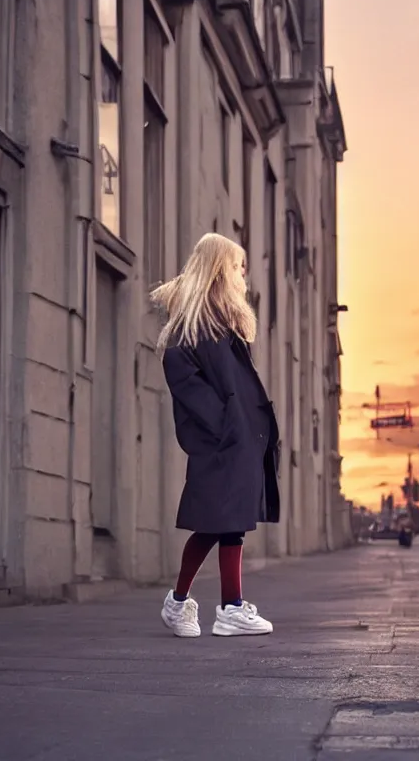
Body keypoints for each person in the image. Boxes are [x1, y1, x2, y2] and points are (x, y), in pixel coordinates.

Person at [150, 233, 281, 637]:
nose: (243, 274)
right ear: (220, 268)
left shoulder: (222, 323)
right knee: (216, 522)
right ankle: (213, 606)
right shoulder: (191, 327)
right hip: (220, 440)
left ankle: (219, 607)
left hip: (237, 438)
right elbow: (185, 381)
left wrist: (241, 426)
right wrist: (224, 422)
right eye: (238, 266)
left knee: (227, 522)